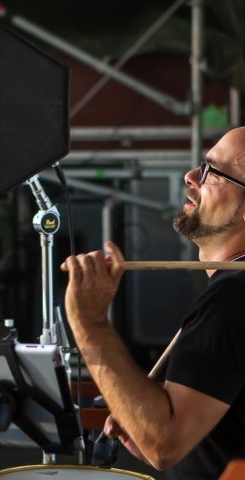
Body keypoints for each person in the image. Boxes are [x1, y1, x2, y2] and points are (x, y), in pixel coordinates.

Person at [63, 126, 245, 479]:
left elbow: (164, 443)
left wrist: (89, 324)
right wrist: (145, 416)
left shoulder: (233, 298)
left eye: (212, 172)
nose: (190, 176)